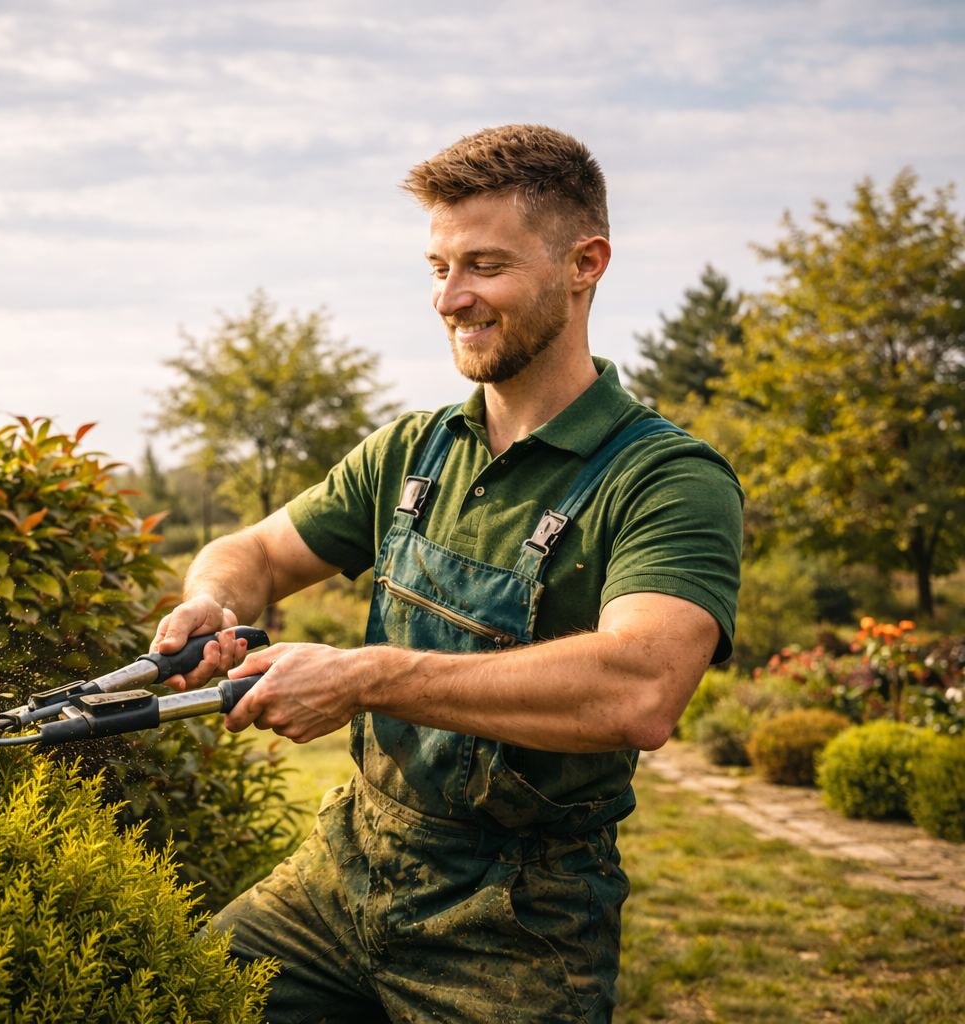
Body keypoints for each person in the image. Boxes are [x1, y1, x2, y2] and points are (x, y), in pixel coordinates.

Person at [152, 125, 743, 1024]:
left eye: (484, 266)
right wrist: (214, 600)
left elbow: (640, 688)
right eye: (439, 267)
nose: (450, 297)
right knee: (171, 997)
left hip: (517, 920)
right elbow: (257, 553)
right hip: (346, 866)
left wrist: (364, 676)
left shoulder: (666, 479)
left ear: (584, 264)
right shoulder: (414, 450)